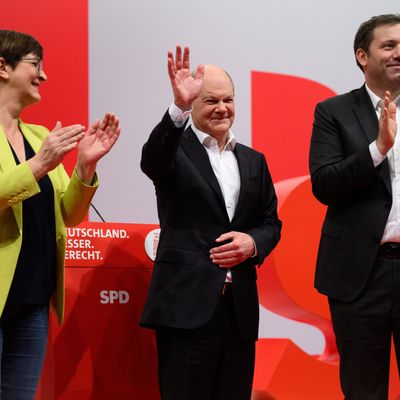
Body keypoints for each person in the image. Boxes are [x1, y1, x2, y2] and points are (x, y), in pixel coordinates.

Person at [140, 45, 281, 400]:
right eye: (210, 101)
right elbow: (151, 160)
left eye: (228, 100)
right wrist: (178, 109)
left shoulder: (253, 160)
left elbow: (270, 222)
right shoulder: (175, 151)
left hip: (239, 310)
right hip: (185, 308)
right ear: (193, 106)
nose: (222, 108)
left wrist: (253, 243)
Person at [0, 30, 120, 399]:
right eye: (36, 64)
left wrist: (85, 167)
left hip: (33, 299)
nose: (45, 76)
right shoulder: (43, 152)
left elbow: (68, 215)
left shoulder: (39, 137)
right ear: (2, 67)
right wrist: (39, 165)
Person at [309, 14, 400, 399]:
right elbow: (325, 184)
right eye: (389, 45)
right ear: (362, 56)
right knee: (364, 389)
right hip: (363, 274)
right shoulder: (334, 112)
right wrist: (377, 149)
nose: (399, 53)